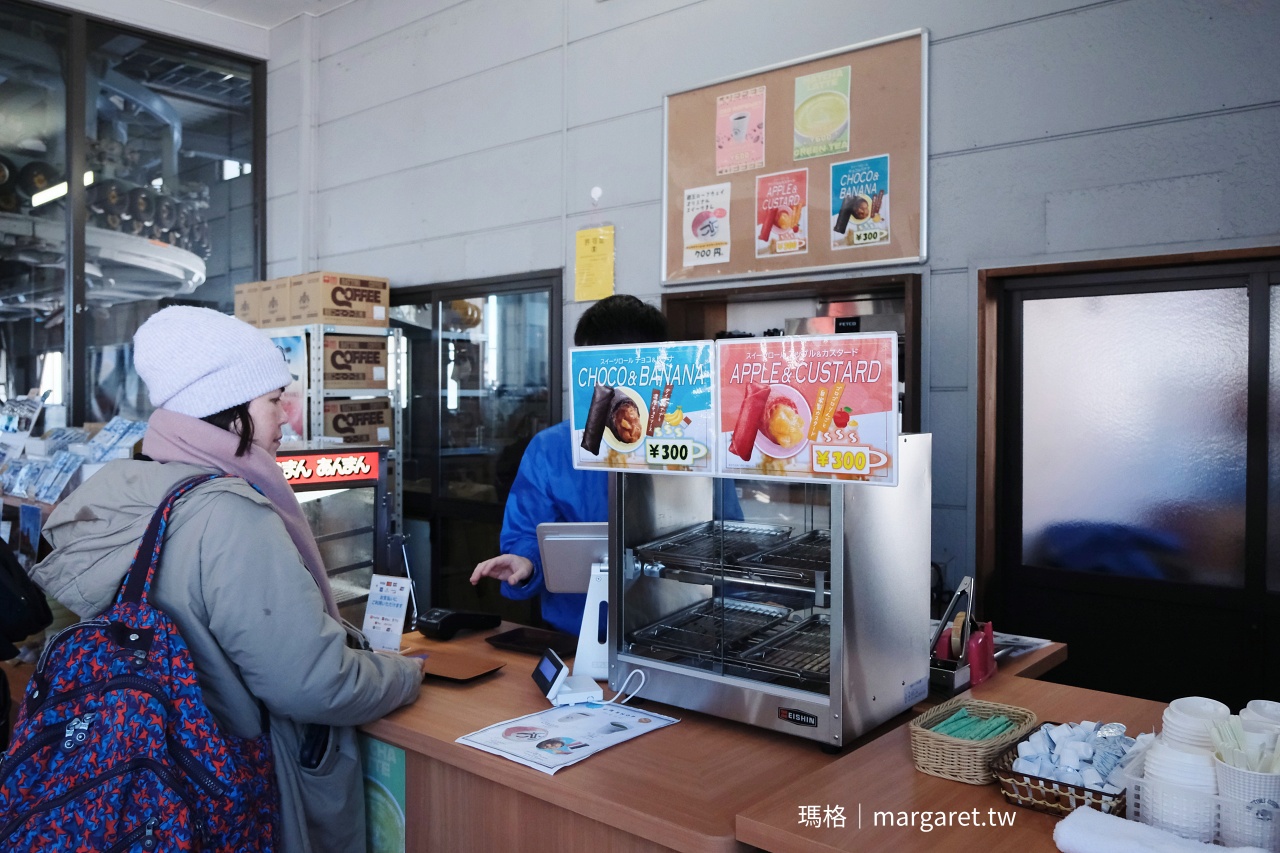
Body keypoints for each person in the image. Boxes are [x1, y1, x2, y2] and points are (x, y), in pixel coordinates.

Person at [32, 306, 425, 853]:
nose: (286, 418)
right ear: (230, 409)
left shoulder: (129, 488)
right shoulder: (231, 515)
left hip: (155, 787)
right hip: (243, 790)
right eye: (273, 401)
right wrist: (405, 674)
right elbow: (314, 684)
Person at [470, 294, 668, 634]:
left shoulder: (689, 445)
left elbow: (724, 531)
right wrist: (527, 562)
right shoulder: (551, 448)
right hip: (578, 635)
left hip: (678, 630)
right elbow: (525, 533)